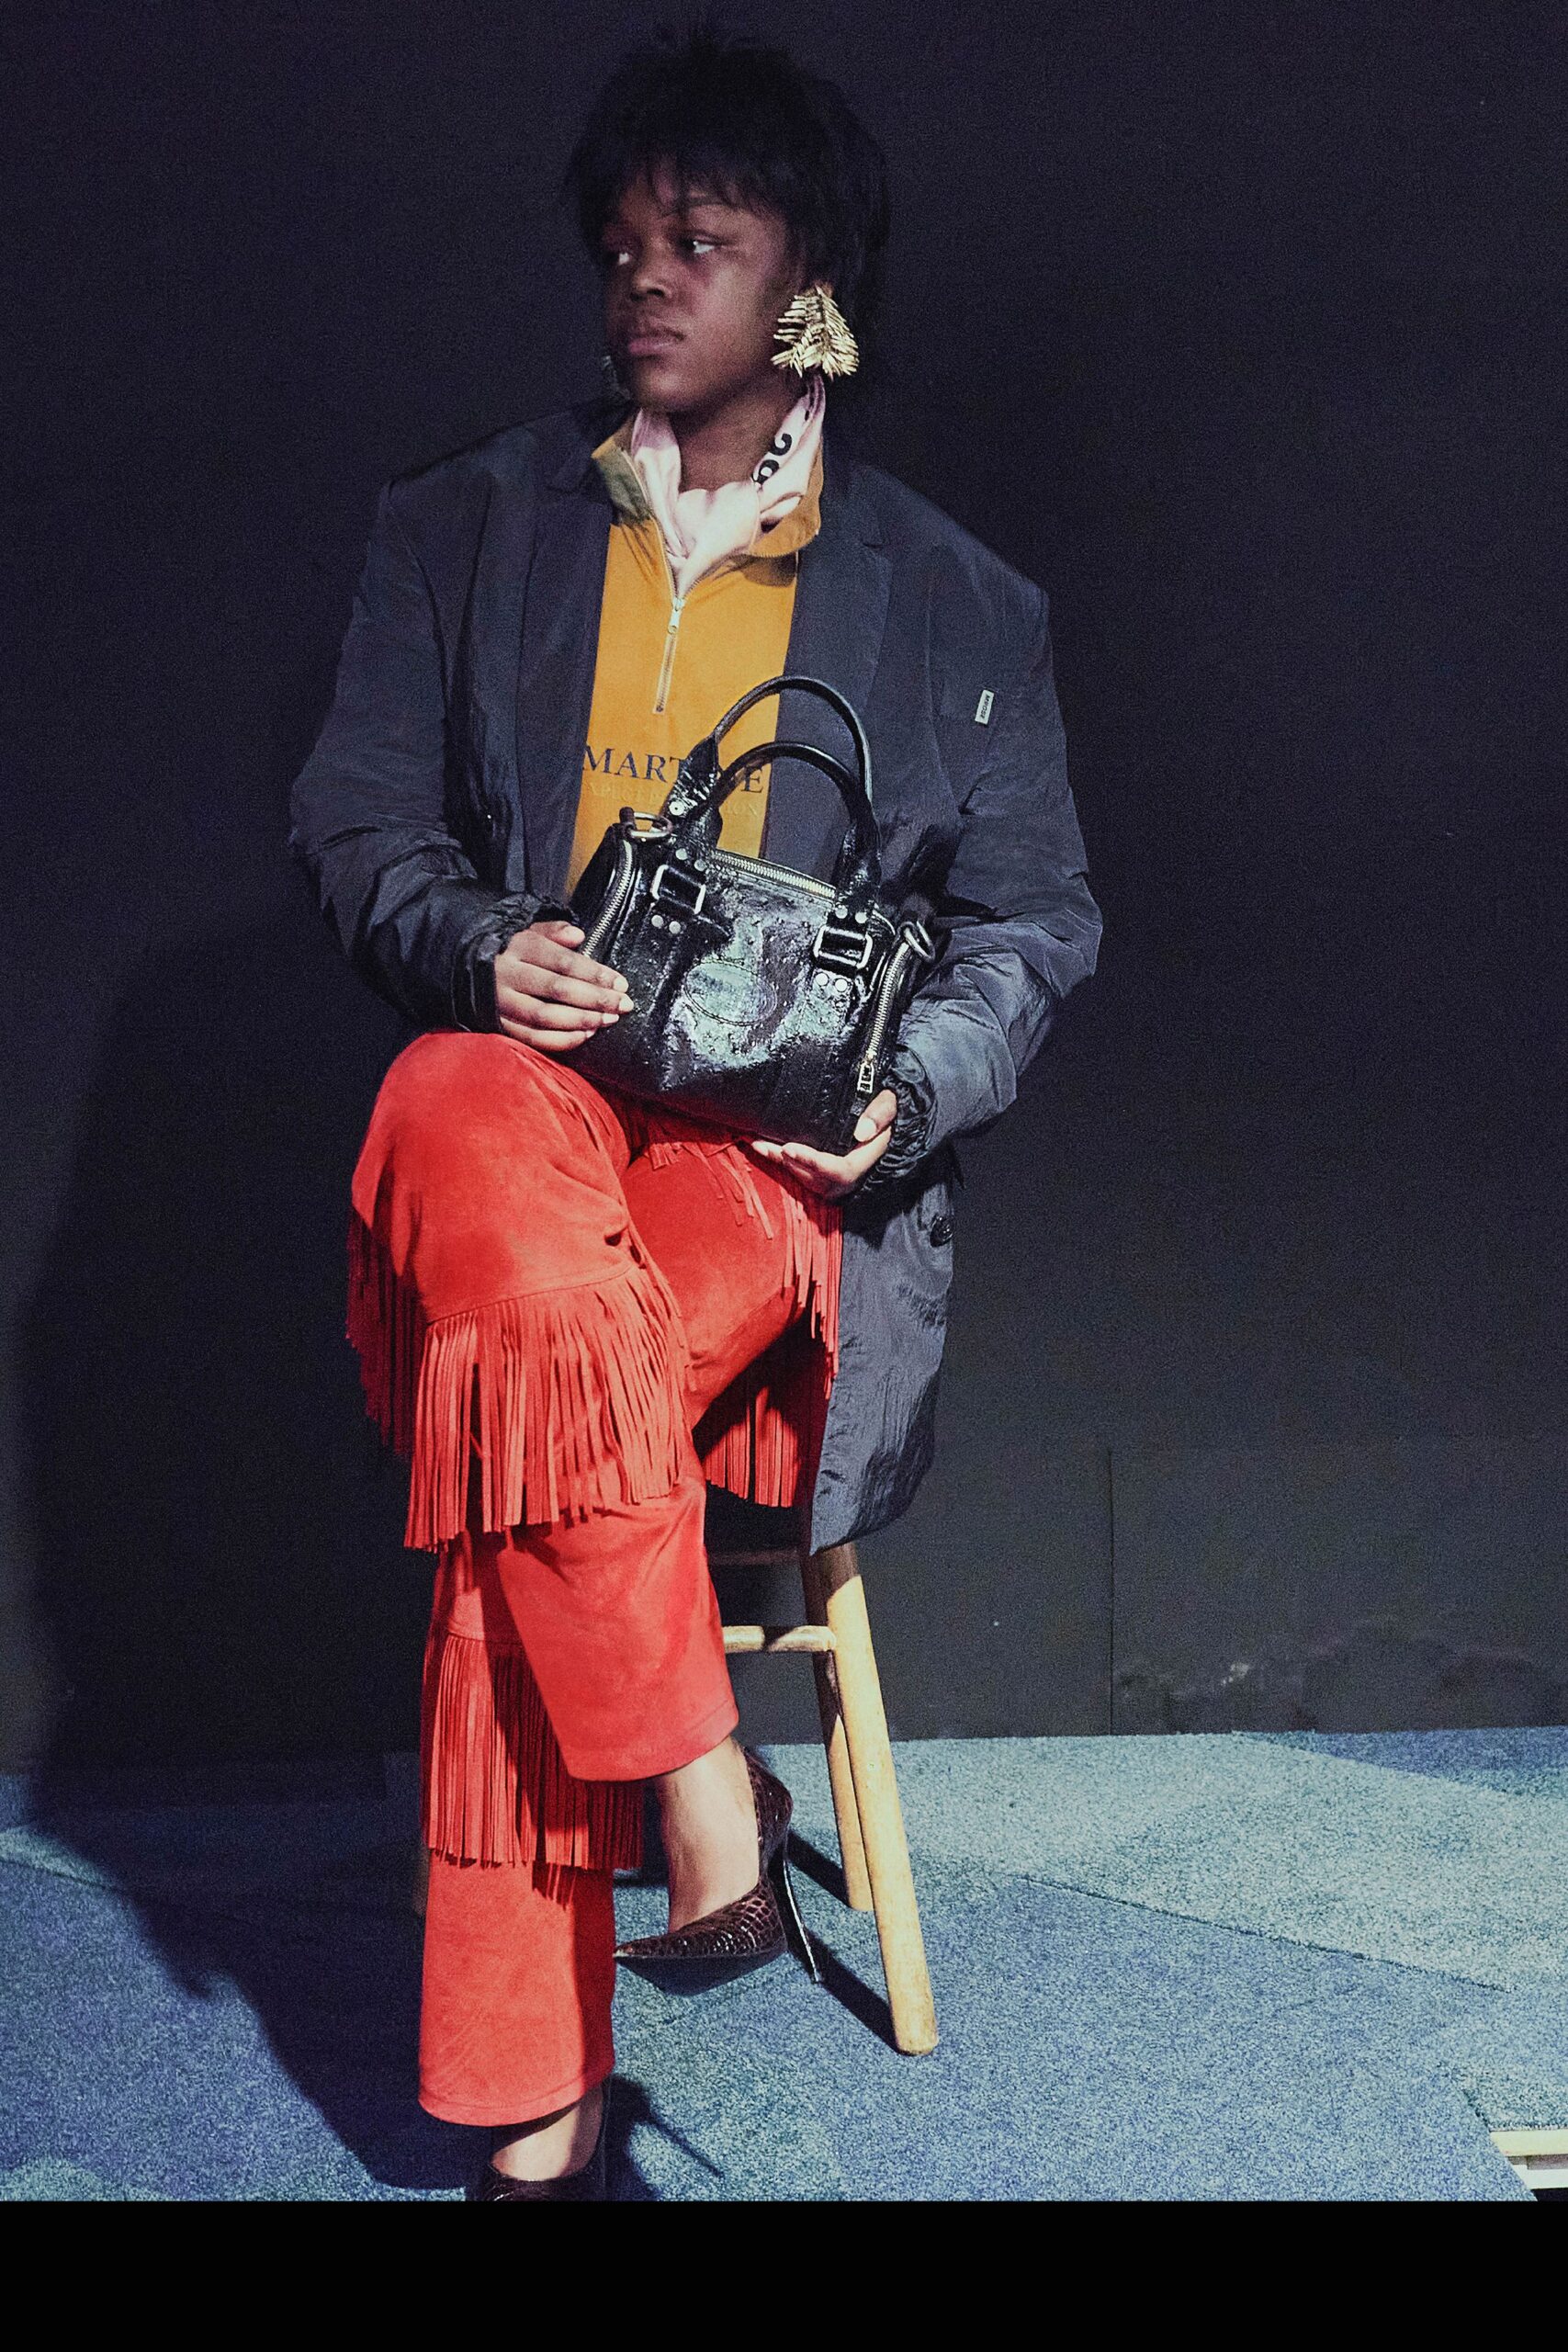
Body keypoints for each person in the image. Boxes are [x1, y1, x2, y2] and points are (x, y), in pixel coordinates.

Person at [288, 26, 1100, 2201]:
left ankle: (535, 2122)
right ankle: (700, 1785)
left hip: (769, 1177)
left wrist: (903, 1089)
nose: (643, 279)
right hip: (525, 1117)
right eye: (625, 244)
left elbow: (1033, 926)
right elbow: (357, 821)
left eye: (701, 241)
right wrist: (482, 943)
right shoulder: (463, 526)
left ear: (805, 282)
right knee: (449, 1097)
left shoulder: (953, 599)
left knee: (518, 1431)